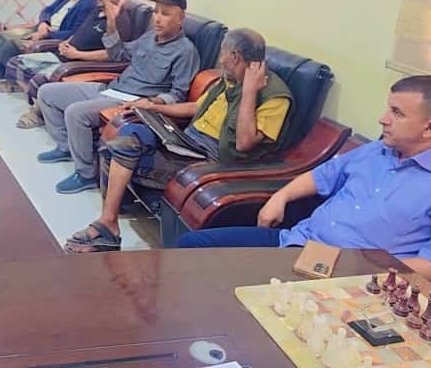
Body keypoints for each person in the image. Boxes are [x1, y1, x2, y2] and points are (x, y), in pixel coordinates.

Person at [178, 75, 431, 287]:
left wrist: (360, 262)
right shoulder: (378, 149)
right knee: (191, 249)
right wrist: (280, 197)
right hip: (296, 244)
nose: (382, 119)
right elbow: (320, 176)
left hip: (349, 279)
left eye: (396, 113)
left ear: (429, 128)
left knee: (229, 298)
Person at [66, 28, 293, 252]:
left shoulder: (274, 96)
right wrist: (153, 107)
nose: (221, 60)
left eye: (223, 53)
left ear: (234, 56)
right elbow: (197, 107)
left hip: (211, 160)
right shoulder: (231, 78)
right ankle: (109, 221)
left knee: (122, 149)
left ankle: (108, 227)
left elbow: (244, 143)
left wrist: (249, 92)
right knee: (129, 133)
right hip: (188, 141)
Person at [36, 0, 200, 194]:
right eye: (156, 12)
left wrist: (153, 102)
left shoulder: (186, 51)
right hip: (111, 87)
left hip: (129, 100)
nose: (158, 18)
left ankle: (86, 174)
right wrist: (112, 23)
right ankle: (66, 147)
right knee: (47, 92)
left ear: (180, 18)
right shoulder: (149, 37)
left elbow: (178, 94)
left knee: (75, 113)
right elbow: (119, 53)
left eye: (165, 14)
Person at [3, 0, 134, 129]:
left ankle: (39, 112)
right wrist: (66, 42)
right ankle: (38, 104)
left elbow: (112, 55)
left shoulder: (121, 20)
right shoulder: (96, 10)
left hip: (79, 63)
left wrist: (77, 54)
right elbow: (79, 32)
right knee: (16, 63)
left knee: (38, 80)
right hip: (65, 54)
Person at [0, 0, 98, 80]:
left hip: (52, 35)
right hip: (42, 27)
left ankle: (10, 79)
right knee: (1, 36)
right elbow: (48, 9)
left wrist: (47, 34)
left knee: (10, 43)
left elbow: (75, 33)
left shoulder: (88, 4)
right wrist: (44, 22)